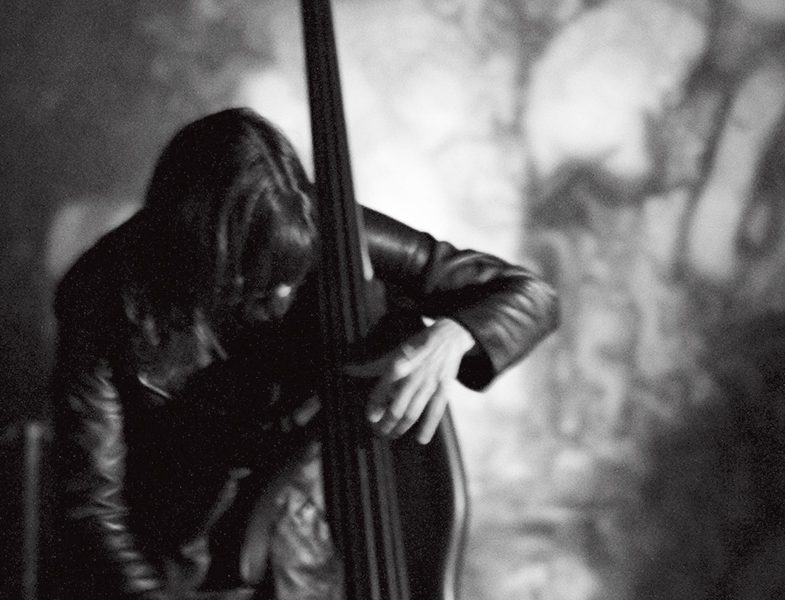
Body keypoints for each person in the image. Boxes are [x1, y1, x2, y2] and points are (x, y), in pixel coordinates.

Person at [51, 107, 558, 600]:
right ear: (204, 252)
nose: (284, 298)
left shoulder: (326, 230)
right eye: (260, 280)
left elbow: (531, 295)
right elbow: (93, 507)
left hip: (305, 547)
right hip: (173, 565)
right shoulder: (103, 292)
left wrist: (453, 335)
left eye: (294, 276)